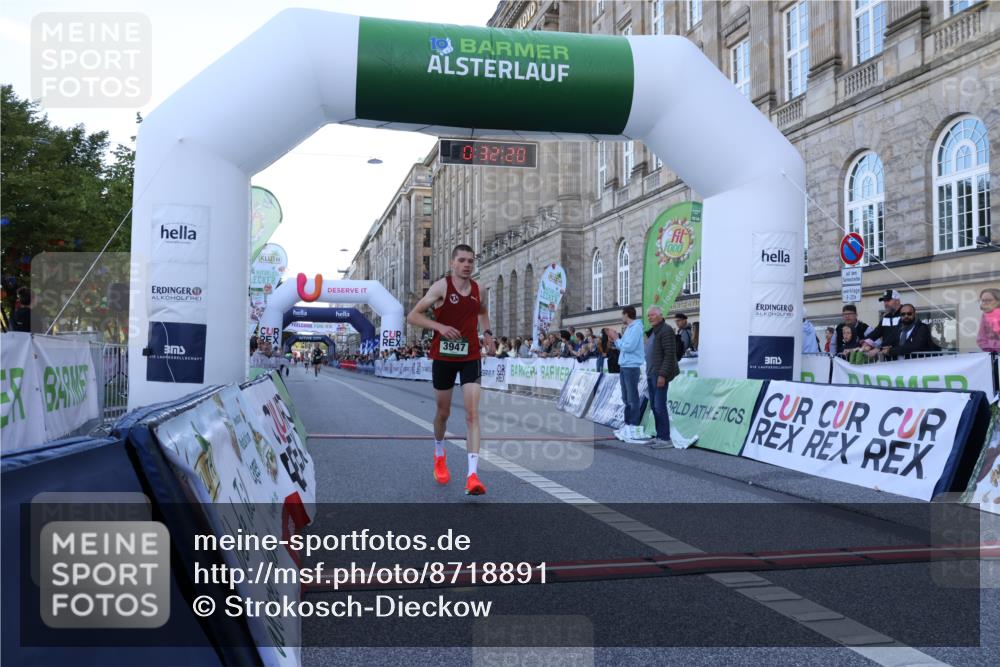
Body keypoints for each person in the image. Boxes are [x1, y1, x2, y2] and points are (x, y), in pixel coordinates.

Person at [406, 244, 494, 496]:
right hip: (444, 356)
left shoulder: (480, 289)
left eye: (471, 261)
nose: (467, 265)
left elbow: (483, 312)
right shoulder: (441, 287)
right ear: (452, 263)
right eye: (462, 260)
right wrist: (440, 327)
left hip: (470, 356)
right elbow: (413, 316)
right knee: (443, 413)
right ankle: (439, 453)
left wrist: (487, 334)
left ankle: (472, 475)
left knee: (472, 414)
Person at [608, 306, 649, 444]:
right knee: (626, 397)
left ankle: (633, 425)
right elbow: (625, 346)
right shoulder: (630, 328)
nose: (621, 317)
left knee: (632, 397)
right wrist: (617, 341)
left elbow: (628, 347)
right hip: (625, 366)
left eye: (622, 315)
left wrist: (616, 339)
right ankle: (627, 424)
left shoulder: (636, 327)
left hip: (631, 366)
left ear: (626, 315)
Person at [645, 306, 679, 449]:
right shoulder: (654, 331)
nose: (650, 318)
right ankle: (660, 436)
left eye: (652, 315)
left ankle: (665, 438)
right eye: (648, 316)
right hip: (651, 373)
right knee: (654, 406)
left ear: (660, 315)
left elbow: (669, 355)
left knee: (659, 406)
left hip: (659, 375)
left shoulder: (666, 330)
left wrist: (662, 375)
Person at [861, 289, 903, 360]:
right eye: (884, 301)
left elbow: (896, 335)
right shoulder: (886, 317)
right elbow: (876, 332)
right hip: (888, 357)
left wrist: (878, 348)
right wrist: (864, 343)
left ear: (897, 300)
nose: (885, 303)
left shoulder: (905, 314)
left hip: (903, 356)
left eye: (888, 300)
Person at [978, 288, 1000, 353]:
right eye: (983, 300)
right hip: (993, 355)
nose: (985, 303)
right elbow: (981, 338)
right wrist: (991, 350)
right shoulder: (984, 316)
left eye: (989, 300)